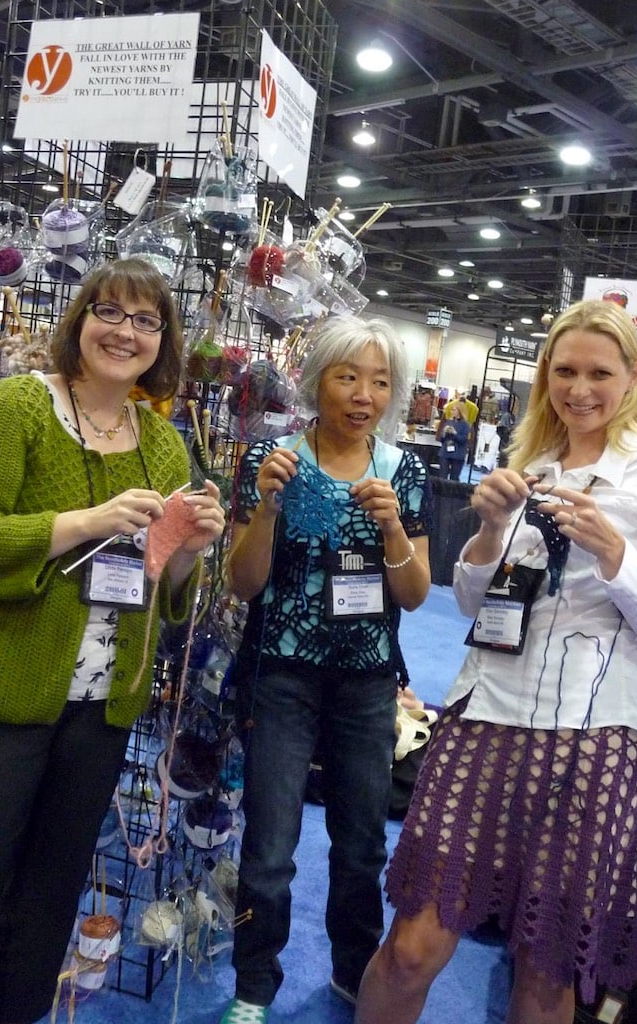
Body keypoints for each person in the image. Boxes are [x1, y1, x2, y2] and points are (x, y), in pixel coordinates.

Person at [355, 298, 637, 1024]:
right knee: (411, 949)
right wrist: (491, 528)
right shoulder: (530, 462)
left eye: (600, 372)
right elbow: (475, 603)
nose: (580, 388)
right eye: (564, 370)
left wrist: (617, 555)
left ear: (633, 376)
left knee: (545, 975)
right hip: (485, 717)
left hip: (598, 739)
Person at [0, 258, 225, 1024]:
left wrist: (190, 552)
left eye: (146, 320)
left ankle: (14, 1011)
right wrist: (84, 522)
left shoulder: (161, 444)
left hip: (98, 710)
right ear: (79, 318)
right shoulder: (18, 408)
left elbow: (160, 590)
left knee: (52, 892)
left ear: (165, 341)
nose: (125, 331)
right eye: (109, 311)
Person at [221, 315, 433, 1024]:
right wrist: (265, 509)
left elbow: (415, 593)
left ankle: (352, 972)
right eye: (349, 376)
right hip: (281, 674)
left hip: (369, 682)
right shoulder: (273, 458)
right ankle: (254, 986)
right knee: (269, 846)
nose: (363, 394)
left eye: (379, 381)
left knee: (362, 844)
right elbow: (242, 584)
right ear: (319, 381)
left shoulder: (405, 471)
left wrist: (393, 528)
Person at [437, 403, 470, 480]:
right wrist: (444, 432)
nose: (451, 411)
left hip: (458, 454)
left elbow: (464, 440)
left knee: (454, 478)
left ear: (460, 411)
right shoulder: (448, 422)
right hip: (445, 453)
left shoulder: (466, 425)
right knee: (442, 476)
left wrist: (455, 433)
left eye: (454, 410)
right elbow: (442, 439)